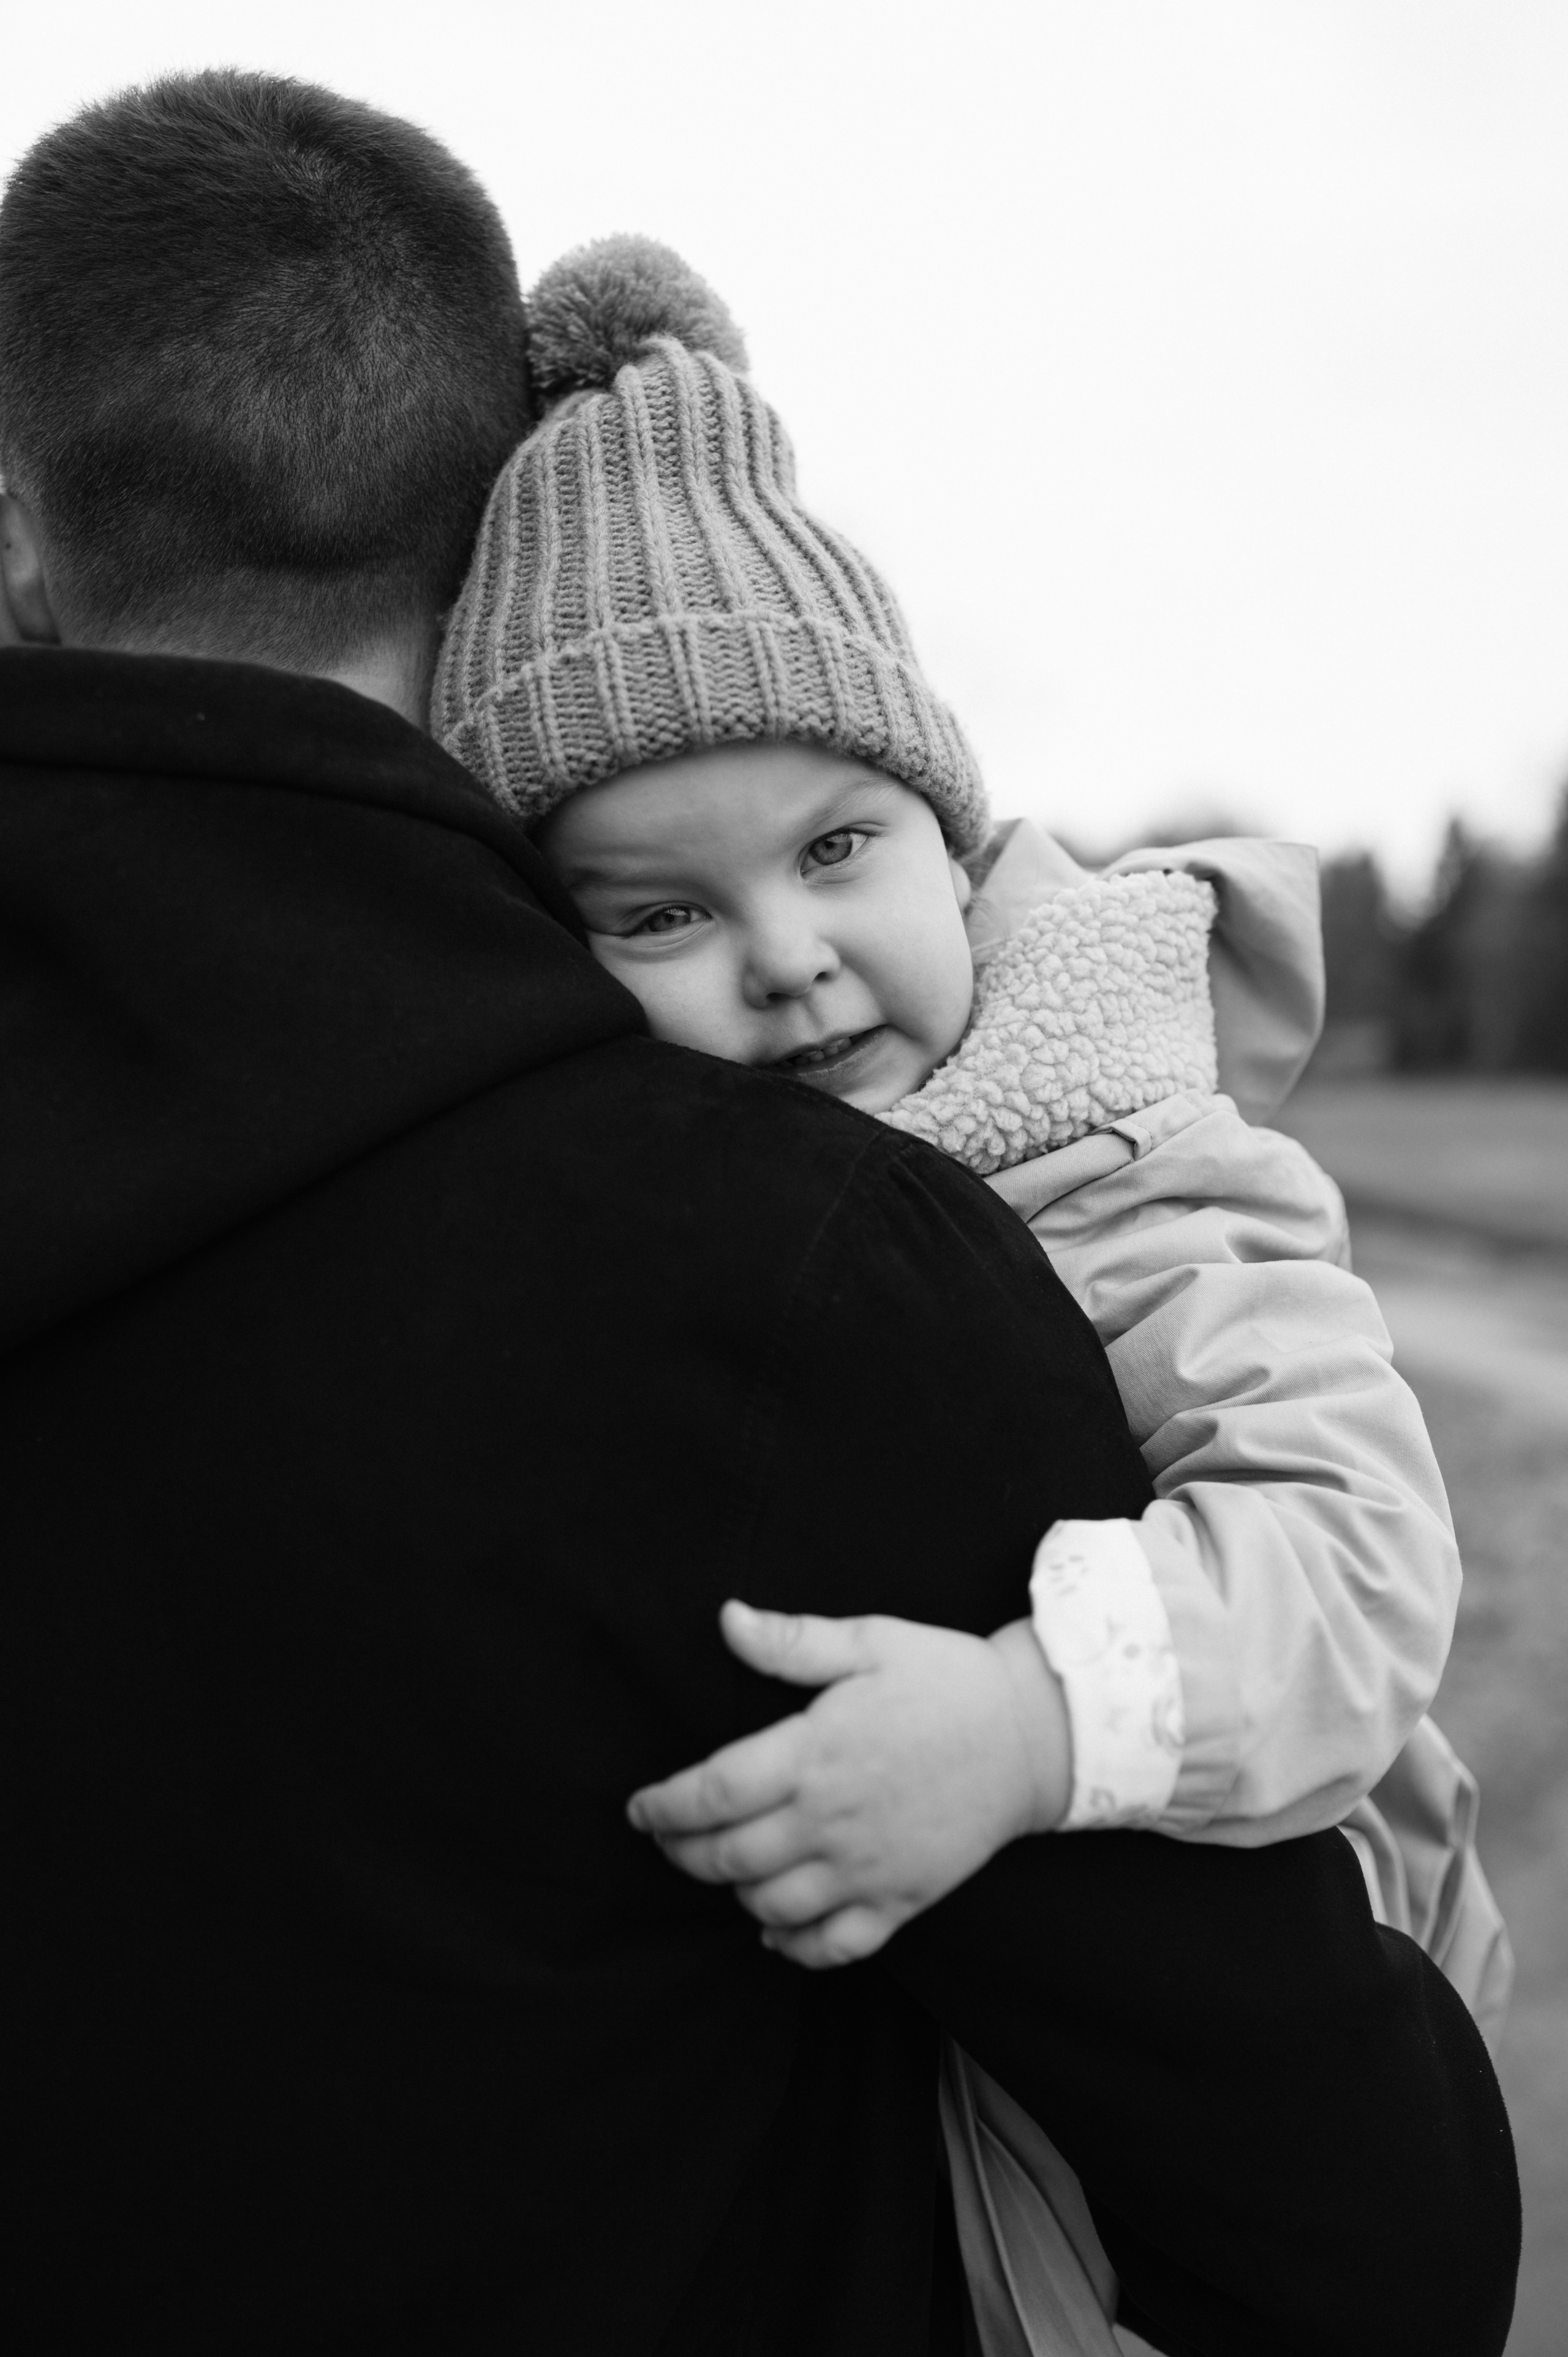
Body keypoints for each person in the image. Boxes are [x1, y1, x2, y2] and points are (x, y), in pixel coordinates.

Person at [0, 71, 1517, 2357]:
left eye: (838, 850)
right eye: (658, 908)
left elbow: (1352, 1544)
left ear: (22, 533)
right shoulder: (774, 1271)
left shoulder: (1109, 1173)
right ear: (465, 542)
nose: (790, 962)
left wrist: (1047, 1723)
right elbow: (1366, 2231)